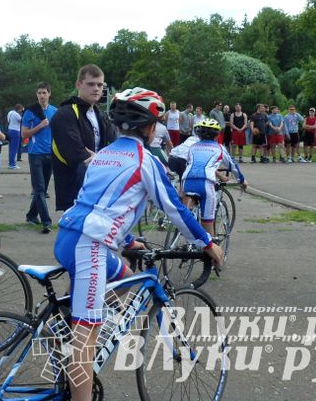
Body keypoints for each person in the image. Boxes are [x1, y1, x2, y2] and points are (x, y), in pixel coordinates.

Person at [54, 88, 224, 401]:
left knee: (124, 274)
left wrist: (128, 239)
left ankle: (65, 328)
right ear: (149, 127)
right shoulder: (146, 160)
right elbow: (175, 208)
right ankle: (77, 344)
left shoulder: (103, 154)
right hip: (89, 246)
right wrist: (207, 242)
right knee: (86, 335)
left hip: (70, 237)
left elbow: (102, 203)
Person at [51, 65, 115, 212]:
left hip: (99, 186)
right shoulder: (65, 113)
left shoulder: (100, 114)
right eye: (91, 84)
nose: (96, 89)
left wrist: (100, 158)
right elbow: (76, 153)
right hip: (75, 189)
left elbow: (114, 143)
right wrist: (105, 159)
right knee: (77, 233)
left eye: (100, 85)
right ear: (78, 85)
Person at [181, 118, 247, 236]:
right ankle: (209, 251)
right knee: (207, 223)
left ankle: (186, 234)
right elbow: (233, 166)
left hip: (187, 181)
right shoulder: (220, 148)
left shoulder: (193, 147)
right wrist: (242, 180)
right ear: (217, 134)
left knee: (190, 209)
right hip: (205, 183)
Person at [23, 81, 58, 233]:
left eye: (44, 93)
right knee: (39, 189)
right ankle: (46, 222)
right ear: (36, 95)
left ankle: (31, 215)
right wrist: (40, 126)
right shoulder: (30, 111)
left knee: (41, 190)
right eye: (39, 93)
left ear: (49, 94)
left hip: (50, 154)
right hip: (35, 154)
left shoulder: (55, 111)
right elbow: (24, 134)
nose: (42, 96)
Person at [6, 103, 23, 169]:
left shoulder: (10, 112)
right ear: (19, 109)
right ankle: (12, 164)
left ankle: (11, 161)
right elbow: (22, 120)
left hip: (10, 130)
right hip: (15, 131)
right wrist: (22, 114)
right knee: (14, 149)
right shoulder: (16, 114)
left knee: (11, 148)